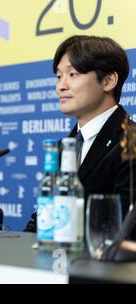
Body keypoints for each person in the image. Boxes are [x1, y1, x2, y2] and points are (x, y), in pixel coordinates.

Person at [25, 35, 133, 232]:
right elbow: (43, 219)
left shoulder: (130, 142)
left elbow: (126, 227)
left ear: (109, 80)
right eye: (59, 76)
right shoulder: (65, 146)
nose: (61, 86)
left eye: (73, 74)